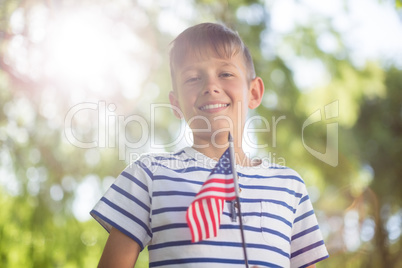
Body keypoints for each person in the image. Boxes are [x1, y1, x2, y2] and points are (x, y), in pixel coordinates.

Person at [91, 22, 329, 268]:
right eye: (193, 78)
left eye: (226, 74)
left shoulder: (290, 187)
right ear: (175, 103)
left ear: (254, 92)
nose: (210, 87)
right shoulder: (148, 176)